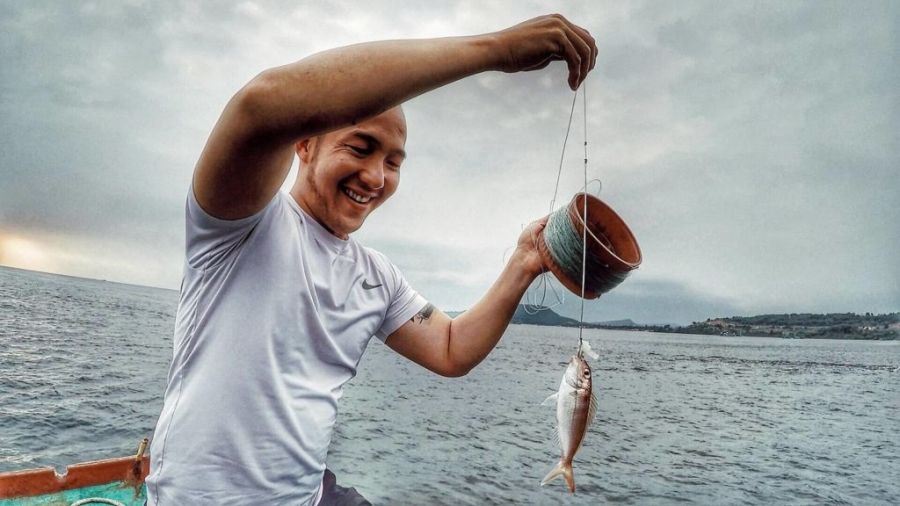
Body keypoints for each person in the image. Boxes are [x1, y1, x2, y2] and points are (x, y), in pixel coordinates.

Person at [145, 13, 597, 506]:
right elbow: (261, 105)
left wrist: (525, 260)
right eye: (360, 148)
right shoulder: (239, 223)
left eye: (394, 161)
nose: (376, 177)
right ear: (304, 142)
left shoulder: (376, 278)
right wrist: (497, 50)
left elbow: (449, 348)